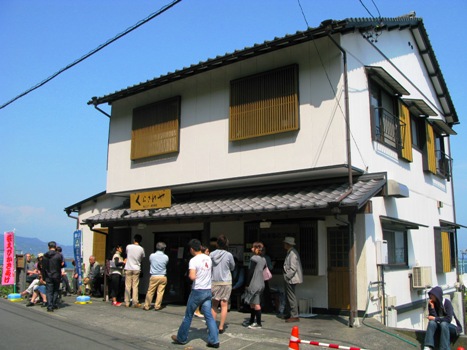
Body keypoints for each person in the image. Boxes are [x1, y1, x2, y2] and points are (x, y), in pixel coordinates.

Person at [171, 239, 219, 348]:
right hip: (208, 290)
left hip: (198, 290)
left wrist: (191, 275)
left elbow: (192, 276)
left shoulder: (193, 260)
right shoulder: (208, 258)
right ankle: (214, 340)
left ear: (192, 249)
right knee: (209, 316)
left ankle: (181, 338)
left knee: (188, 315)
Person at [210, 235, 235, 334]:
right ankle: (221, 327)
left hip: (214, 281)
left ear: (217, 243)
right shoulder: (229, 255)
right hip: (226, 282)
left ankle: (212, 326)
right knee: (224, 305)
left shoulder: (211, 254)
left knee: (214, 305)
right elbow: (232, 267)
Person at [242, 242, 267, 329]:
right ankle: (252, 321)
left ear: (256, 249)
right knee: (252, 303)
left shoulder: (253, 258)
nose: (251, 249)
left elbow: (251, 271)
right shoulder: (263, 259)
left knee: (255, 304)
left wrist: (247, 283)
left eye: (253, 247)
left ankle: (258, 323)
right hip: (261, 282)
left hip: (254, 283)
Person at [279, 236, 303, 323]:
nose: (284, 245)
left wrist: (287, 276)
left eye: (285, 243)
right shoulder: (291, 252)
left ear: (288, 244)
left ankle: (294, 315)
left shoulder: (292, 253)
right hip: (290, 278)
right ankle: (289, 313)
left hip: (291, 279)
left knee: (291, 297)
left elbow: (293, 268)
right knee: (288, 296)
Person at [143, 241, 169, 311]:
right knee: (160, 292)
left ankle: (147, 306)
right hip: (163, 276)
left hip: (154, 275)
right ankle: (157, 306)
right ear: (164, 249)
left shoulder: (152, 256)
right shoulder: (166, 257)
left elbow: (151, 262)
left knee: (150, 291)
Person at [41, 241, 63, 312]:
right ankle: (53, 304)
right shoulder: (58, 255)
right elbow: (60, 265)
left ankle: (49, 306)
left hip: (48, 275)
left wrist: (44, 277)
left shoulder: (45, 256)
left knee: (49, 291)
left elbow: (43, 268)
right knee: (55, 290)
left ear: (48, 247)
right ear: (55, 247)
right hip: (56, 275)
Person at [125, 234, 145, 308]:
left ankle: (127, 302)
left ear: (134, 239)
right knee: (135, 286)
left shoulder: (128, 246)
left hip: (128, 267)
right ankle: (135, 302)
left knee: (127, 286)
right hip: (136, 268)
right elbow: (142, 258)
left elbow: (127, 254)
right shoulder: (141, 249)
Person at [194, 245, 210, 318]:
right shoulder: (201, 259)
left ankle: (199, 310)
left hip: (204, 282)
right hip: (200, 281)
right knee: (199, 297)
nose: (209, 252)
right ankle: (196, 311)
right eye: (207, 251)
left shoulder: (207, 259)